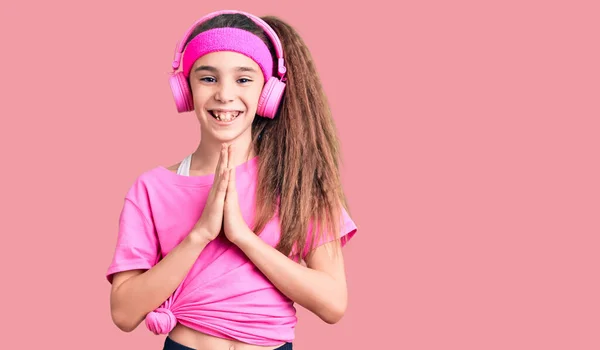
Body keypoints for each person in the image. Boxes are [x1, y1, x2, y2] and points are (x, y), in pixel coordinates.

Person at [105, 9, 358, 350]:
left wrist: (242, 237)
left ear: (268, 93)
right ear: (186, 89)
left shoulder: (297, 180)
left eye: (243, 79)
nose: (225, 94)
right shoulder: (151, 188)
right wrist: (200, 235)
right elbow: (123, 312)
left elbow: (333, 304)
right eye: (208, 78)